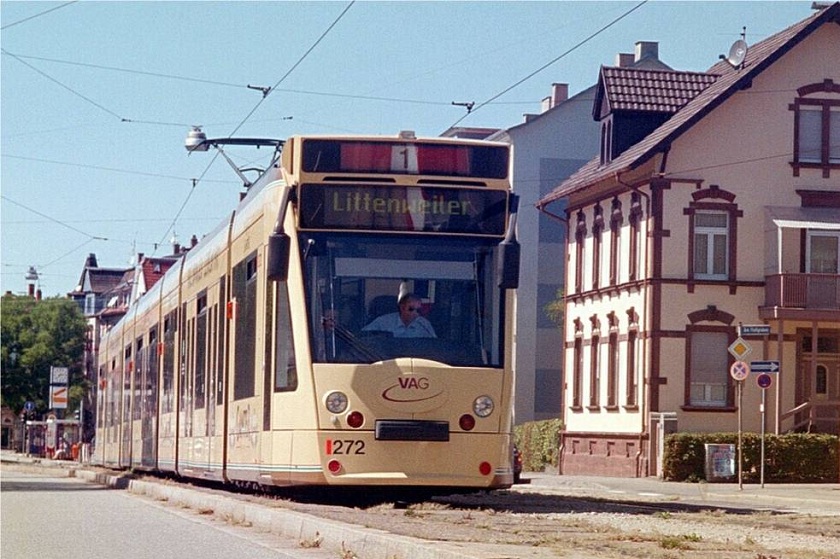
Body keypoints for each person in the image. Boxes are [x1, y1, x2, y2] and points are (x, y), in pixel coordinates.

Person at [362, 293, 436, 338]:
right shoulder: (382, 322)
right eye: (411, 309)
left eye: (418, 310)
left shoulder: (424, 324)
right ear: (402, 307)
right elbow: (363, 336)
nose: (415, 313)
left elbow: (434, 344)